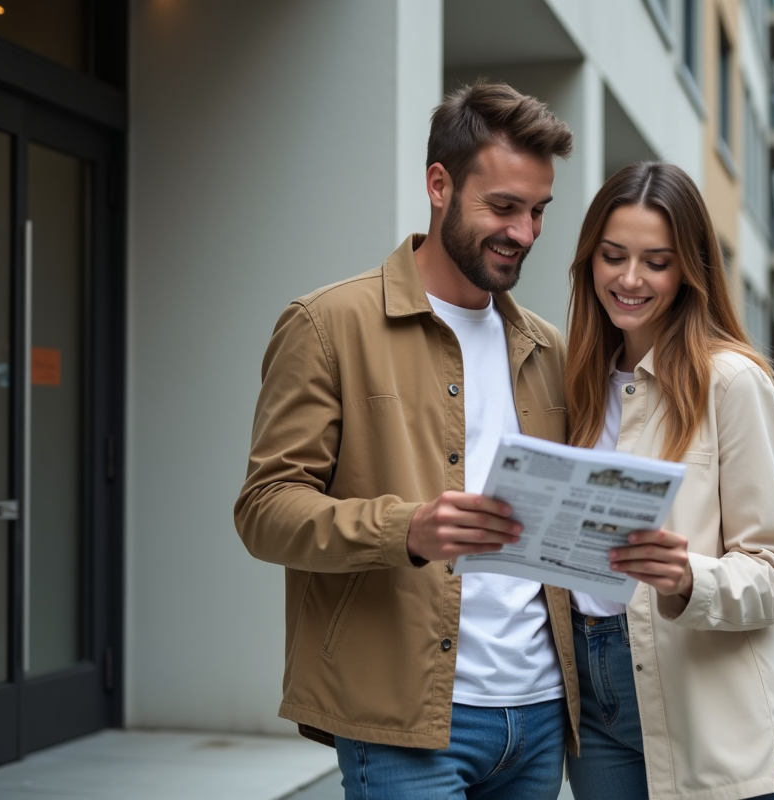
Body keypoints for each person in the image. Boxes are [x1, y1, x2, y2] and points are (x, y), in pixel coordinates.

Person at [234, 82, 579, 800]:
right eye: (505, 207)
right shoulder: (328, 324)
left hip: (541, 714)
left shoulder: (547, 347)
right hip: (403, 723)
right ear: (439, 185)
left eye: (539, 211)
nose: (525, 233)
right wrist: (407, 528)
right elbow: (265, 510)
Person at [563, 162, 774, 800]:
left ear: (690, 270)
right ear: (589, 260)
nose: (630, 279)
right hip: (591, 696)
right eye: (613, 256)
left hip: (705, 700)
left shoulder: (732, 382)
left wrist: (690, 578)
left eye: (656, 262)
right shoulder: (575, 383)